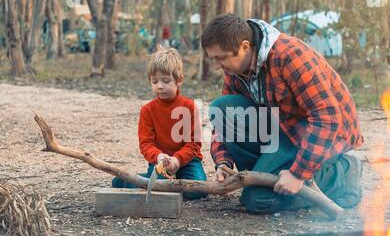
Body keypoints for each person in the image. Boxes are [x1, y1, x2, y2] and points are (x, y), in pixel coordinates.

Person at [201, 14, 364, 214]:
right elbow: (224, 122)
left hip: (321, 135)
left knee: (258, 200)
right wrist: (223, 161)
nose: (217, 65)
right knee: (222, 107)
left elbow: (327, 117)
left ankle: (344, 173)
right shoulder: (236, 68)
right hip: (284, 130)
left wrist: (298, 174)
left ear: (244, 47)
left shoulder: (290, 56)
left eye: (221, 57)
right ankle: (266, 175)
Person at [112, 44, 207, 200]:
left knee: (197, 191)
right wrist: (158, 157)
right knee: (160, 189)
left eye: (166, 81)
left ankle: (146, 181)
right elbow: (146, 144)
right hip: (160, 162)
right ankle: (134, 181)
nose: (160, 86)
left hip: (187, 161)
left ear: (179, 80)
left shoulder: (189, 107)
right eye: (154, 82)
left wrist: (177, 159)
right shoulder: (147, 110)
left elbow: (194, 144)